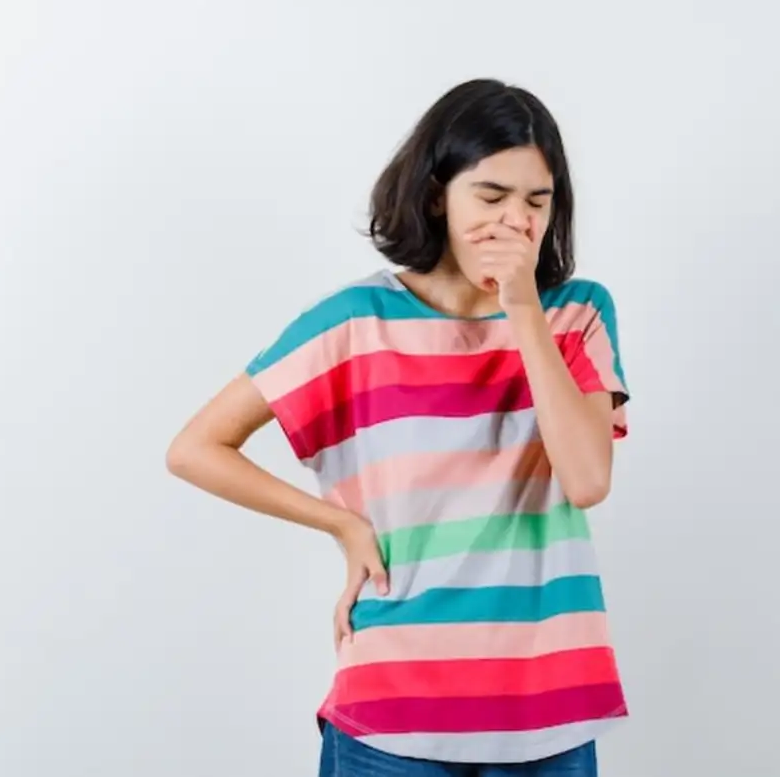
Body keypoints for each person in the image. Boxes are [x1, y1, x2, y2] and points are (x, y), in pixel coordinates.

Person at [166, 78, 631, 776]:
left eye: (537, 201)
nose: (516, 222)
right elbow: (196, 448)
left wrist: (524, 309)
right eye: (491, 195)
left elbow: (588, 480)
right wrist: (342, 524)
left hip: (547, 715)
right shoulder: (356, 321)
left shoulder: (577, 314)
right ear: (438, 194)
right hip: (393, 711)